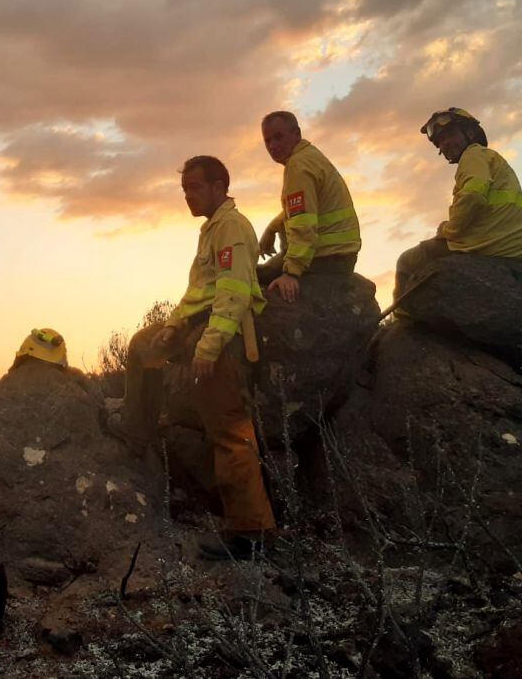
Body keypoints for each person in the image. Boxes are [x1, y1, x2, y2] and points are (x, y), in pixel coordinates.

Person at [123, 155, 276, 560]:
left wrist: (208, 348)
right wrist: (173, 325)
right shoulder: (210, 229)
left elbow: (233, 293)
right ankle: (138, 432)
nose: (188, 196)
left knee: (229, 432)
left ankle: (251, 535)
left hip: (222, 336)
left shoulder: (232, 228)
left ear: (220, 186)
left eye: (195, 188)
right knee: (144, 344)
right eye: (185, 189)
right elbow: (196, 289)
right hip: (196, 325)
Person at [393, 108, 522, 300]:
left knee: (407, 261)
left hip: (486, 246)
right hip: (507, 247)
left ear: (470, 133)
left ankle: (404, 321)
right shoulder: (488, 158)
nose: (445, 143)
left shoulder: (472, 155)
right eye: (440, 141)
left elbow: (472, 197)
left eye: (450, 135)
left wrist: (448, 230)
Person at [257, 111, 361, 302]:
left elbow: (303, 225)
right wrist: (273, 228)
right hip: (338, 253)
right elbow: (304, 208)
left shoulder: (299, 166)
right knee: (263, 272)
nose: (272, 146)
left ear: (296, 134)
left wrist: (291, 274)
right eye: (267, 140)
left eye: (278, 137)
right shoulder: (309, 156)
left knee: (253, 280)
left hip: (327, 258)